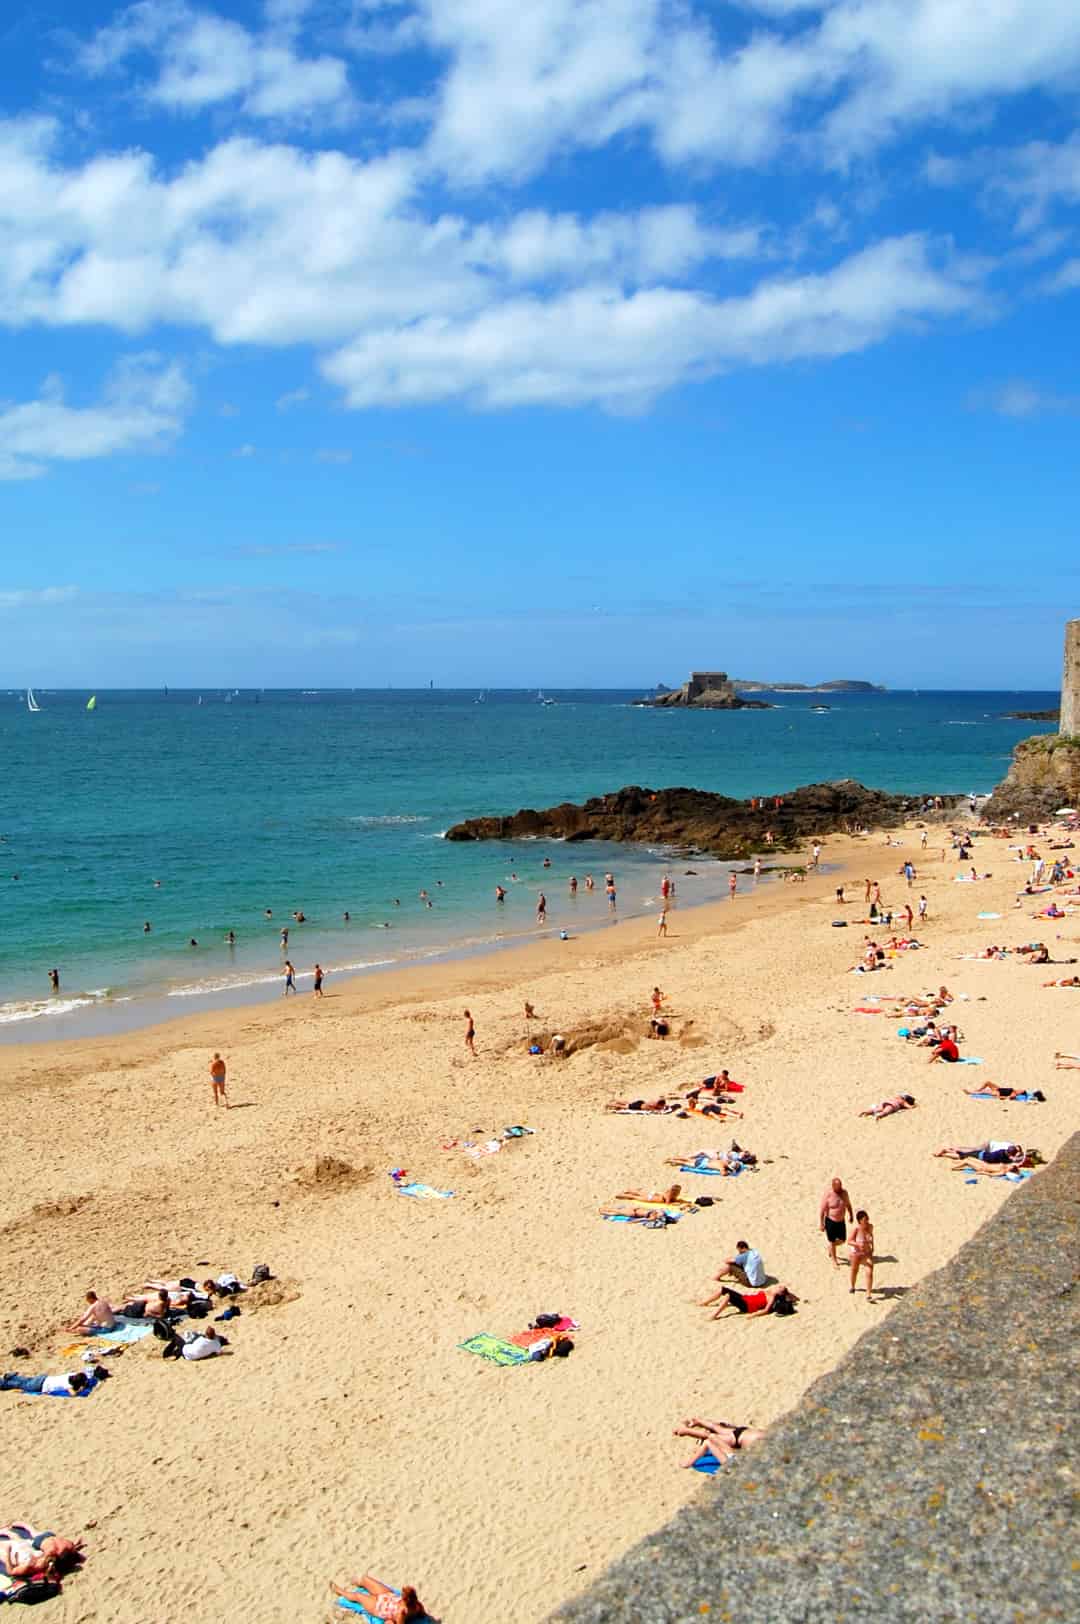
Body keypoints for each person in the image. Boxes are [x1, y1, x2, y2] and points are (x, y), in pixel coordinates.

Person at [673, 1418, 766, 1469]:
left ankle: (696, 1422)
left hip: (742, 1432)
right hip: (740, 1437)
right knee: (710, 1436)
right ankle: (689, 1428)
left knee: (713, 1433)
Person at [329, 1579, 425, 1622]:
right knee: (365, 1579)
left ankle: (340, 1591)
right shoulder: (417, 1605)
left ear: (405, 1599)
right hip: (388, 1596)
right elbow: (422, 1611)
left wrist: (390, 1620)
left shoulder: (401, 1613)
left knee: (358, 1596)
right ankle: (357, 1581)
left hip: (379, 1608)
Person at [702, 1284, 798, 1318]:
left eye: (780, 1288)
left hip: (747, 1305)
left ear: (780, 1293)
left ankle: (714, 1315)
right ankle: (704, 1303)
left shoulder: (772, 1297)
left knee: (728, 1296)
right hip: (745, 1298)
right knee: (722, 1289)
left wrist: (752, 1316)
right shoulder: (770, 1291)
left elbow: (766, 1310)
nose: (778, 1286)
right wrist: (790, 1294)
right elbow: (794, 1297)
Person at [820, 1177, 854, 1266]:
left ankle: (831, 1247)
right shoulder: (828, 1194)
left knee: (843, 1240)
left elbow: (848, 1204)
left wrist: (851, 1215)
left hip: (841, 1221)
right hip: (830, 1221)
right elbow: (822, 1210)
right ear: (833, 1186)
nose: (840, 1189)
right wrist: (821, 1223)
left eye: (840, 1186)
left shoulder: (844, 1193)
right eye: (838, 1187)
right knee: (832, 1241)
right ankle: (834, 1261)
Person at [1, 1368, 99, 1395]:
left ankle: (12, 1376)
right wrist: (79, 1390)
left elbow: (79, 1373)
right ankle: (5, 1381)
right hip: (40, 1386)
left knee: (26, 1380)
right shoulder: (67, 1385)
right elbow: (73, 1394)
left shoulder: (69, 1375)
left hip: (43, 1378)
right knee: (20, 1385)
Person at [848, 1211, 875, 1301]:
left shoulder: (870, 1227)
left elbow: (872, 1236)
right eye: (865, 1220)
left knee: (870, 1271)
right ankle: (852, 1286)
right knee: (854, 1270)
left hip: (867, 1253)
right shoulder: (856, 1229)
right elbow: (849, 1241)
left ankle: (868, 1293)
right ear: (860, 1221)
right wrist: (858, 1245)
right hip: (856, 1253)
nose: (867, 1221)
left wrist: (872, 1248)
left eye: (867, 1219)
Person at [160, 1324, 226, 1361]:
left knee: (176, 1338)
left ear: (206, 1334)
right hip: (193, 1356)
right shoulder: (216, 1344)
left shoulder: (201, 1339)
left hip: (188, 1354)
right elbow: (219, 1353)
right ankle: (176, 1353)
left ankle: (166, 1354)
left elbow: (190, 1342)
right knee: (184, 1346)